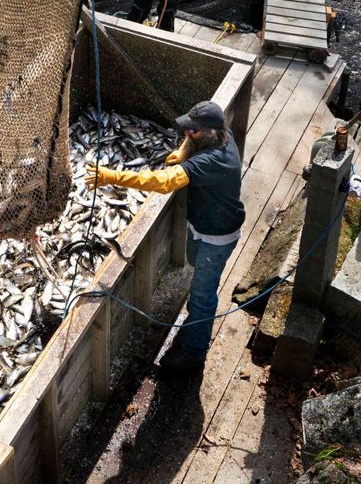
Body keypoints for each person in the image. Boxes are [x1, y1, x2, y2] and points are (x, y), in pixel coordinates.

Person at [85, 100, 244, 372]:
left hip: (217, 238)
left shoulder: (213, 161)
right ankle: (196, 322)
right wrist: (183, 153)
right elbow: (189, 142)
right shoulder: (222, 137)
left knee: (204, 296)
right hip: (203, 226)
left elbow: (164, 182)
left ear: (207, 132)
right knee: (198, 277)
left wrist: (114, 176)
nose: (187, 134)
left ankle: (194, 354)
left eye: (192, 131)